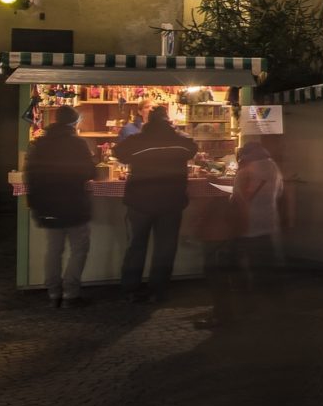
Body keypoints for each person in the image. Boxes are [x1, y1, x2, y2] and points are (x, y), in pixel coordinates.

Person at [112, 106, 198, 303]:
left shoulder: (137, 141)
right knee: (165, 248)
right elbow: (193, 149)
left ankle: (130, 290)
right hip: (171, 201)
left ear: (148, 121)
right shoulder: (180, 142)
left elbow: (118, 152)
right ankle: (158, 291)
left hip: (140, 201)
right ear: (168, 121)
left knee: (136, 246)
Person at [24, 107, 97, 308]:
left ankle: (53, 293)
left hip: (48, 205)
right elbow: (90, 172)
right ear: (74, 123)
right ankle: (70, 294)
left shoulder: (40, 144)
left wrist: (35, 203)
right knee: (78, 249)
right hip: (74, 204)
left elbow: (29, 174)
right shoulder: (78, 144)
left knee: (53, 250)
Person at [233, 136, 283, 294]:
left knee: (248, 253)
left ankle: (249, 287)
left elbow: (238, 195)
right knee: (267, 252)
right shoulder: (273, 166)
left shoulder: (246, 169)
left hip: (248, 218)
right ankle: (269, 286)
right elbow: (280, 191)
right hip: (269, 216)